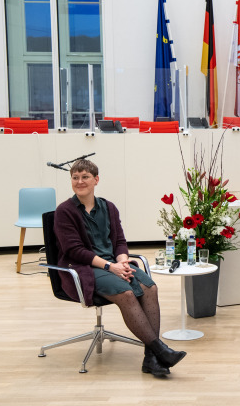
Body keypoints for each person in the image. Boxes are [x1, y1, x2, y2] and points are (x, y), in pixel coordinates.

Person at [54, 159, 186, 377]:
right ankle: (160, 350)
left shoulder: (109, 207)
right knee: (126, 293)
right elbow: (74, 251)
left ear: (96, 180)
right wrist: (110, 266)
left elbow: (119, 241)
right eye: (75, 178)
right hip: (84, 267)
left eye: (85, 177)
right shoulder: (65, 211)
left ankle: (151, 358)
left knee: (150, 288)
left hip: (114, 263)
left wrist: (123, 261)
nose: (80, 182)